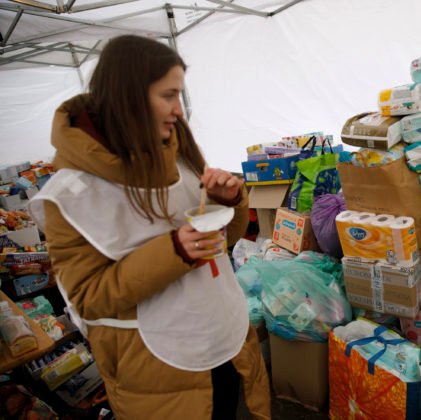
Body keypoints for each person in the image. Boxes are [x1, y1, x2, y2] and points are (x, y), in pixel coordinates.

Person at [28, 35, 271, 419]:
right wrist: (173, 252)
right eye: (168, 95)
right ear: (128, 97)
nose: (179, 109)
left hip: (220, 337)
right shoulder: (70, 194)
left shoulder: (178, 149)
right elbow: (88, 298)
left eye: (179, 94)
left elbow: (222, 244)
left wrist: (227, 201)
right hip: (156, 365)